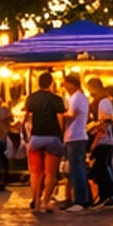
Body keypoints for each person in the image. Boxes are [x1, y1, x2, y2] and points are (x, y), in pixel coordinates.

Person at [24, 68, 67, 212]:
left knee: (36, 172)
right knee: (51, 173)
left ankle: (35, 201)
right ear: (51, 83)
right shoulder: (57, 99)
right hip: (53, 136)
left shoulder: (31, 98)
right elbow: (60, 119)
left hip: (36, 137)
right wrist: (61, 136)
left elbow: (27, 116)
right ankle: (45, 202)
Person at [88, 76, 113, 208]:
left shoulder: (103, 102)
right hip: (105, 139)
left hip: (104, 139)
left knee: (103, 167)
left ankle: (112, 194)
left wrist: (94, 129)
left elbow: (105, 120)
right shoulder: (105, 101)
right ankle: (104, 195)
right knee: (102, 168)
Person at [63, 70, 93, 210]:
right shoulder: (80, 97)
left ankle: (80, 200)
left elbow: (71, 115)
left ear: (71, 84)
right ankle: (85, 198)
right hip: (76, 136)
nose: (64, 86)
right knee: (77, 168)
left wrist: (58, 115)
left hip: (75, 136)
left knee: (76, 169)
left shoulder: (76, 97)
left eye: (66, 83)